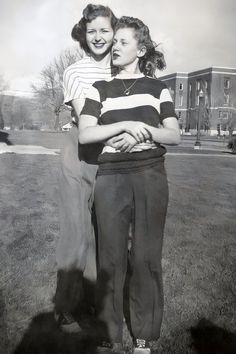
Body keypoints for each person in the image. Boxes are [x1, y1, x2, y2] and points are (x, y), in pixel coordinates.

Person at [79, 16, 181, 354]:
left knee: (145, 257)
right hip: (110, 178)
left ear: (140, 49)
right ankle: (110, 331)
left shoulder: (158, 88)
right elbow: (86, 133)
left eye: (123, 42)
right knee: (110, 260)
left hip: (150, 174)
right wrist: (125, 123)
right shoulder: (99, 89)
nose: (114, 48)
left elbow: (174, 134)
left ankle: (144, 335)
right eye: (115, 41)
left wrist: (143, 129)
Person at [53, 4, 118, 332]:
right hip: (80, 153)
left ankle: (93, 301)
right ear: (83, 34)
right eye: (91, 31)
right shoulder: (75, 71)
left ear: (114, 32)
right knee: (77, 233)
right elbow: (89, 121)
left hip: (109, 158)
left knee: (101, 234)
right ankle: (64, 308)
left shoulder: (123, 70)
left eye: (104, 30)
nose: (98, 37)